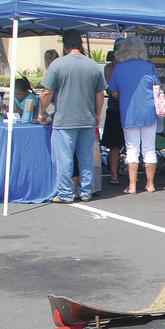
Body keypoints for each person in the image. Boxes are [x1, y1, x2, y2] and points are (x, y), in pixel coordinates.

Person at [38, 29, 106, 203]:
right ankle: (86, 191)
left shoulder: (57, 65)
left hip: (65, 119)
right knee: (85, 157)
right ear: (81, 44)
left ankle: (66, 193)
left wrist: (41, 112)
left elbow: (47, 92)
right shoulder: (92, 65)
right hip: (87, 118)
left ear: (64, 45)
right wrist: (98, 114)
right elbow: (100, 93)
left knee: (64, 158)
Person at [108, 36, 159, 194]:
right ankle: (150, 184)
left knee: (131, 149)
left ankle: (132, 186)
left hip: (129, 112)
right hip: (149, 111)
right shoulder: (149, 67)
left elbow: (113, 92)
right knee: (149, 149)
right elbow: (156, 86)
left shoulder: (119, 68)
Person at [100, 38, 125, 185]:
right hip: (115, 110)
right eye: (118, 49)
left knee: (131, 143)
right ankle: (114, 175)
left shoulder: (128, 66)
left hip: (127, 110)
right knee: (114, 145)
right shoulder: (109, 67)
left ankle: (132, 174)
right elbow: (112, 90)